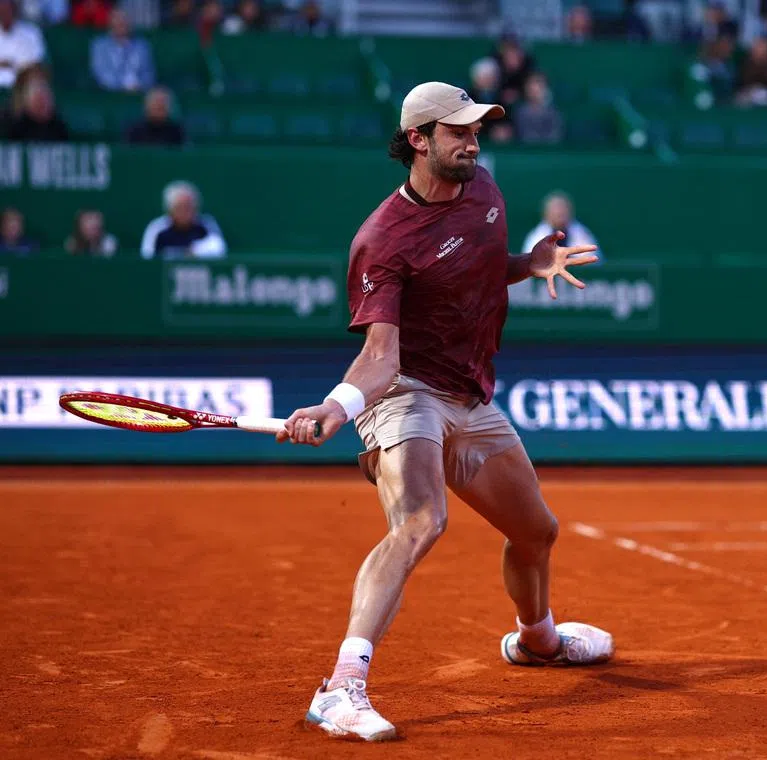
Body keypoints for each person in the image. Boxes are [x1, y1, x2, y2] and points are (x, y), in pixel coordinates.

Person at [276, 81, 612, 742]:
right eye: (456, 131)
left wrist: (527, 263)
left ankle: (537, 639)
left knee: (538, 532)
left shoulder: (484, 190)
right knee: (422, 520)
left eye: (476, 128)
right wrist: (338, 409)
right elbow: (380, 358)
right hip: (404, 393)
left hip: (469, 393)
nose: (472, 141)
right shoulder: (382, 240)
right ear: (417, 141)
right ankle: (340, 688)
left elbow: (480, 269)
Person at [140, 180, 227, 259]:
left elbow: (220, 250)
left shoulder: (207, 225)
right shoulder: (157, 228)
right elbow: (147, 256)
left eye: (189, 207)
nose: (185, 212)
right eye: (180, 207)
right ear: (170, 209)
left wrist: (195, 251)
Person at [522, 190, 603, 262]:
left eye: (563, 208)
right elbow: (530, 266)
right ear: (545, 213)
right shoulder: (536, 237)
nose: (559, 213)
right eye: (555, 208)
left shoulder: (582, 234)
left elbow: (592, 263)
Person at [4, 77, 67, 141]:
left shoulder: (58, 126)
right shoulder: (17, 127)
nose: (43, 105)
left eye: (46, 100)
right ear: (29, 102)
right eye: (39, 101)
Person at [0, 0, 45, 90]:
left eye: (7, 10)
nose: (4, 14)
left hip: (25, 85)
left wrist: (14, 66)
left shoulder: (31, 32)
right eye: (1, 11)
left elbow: (37, 62)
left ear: (14, 11)